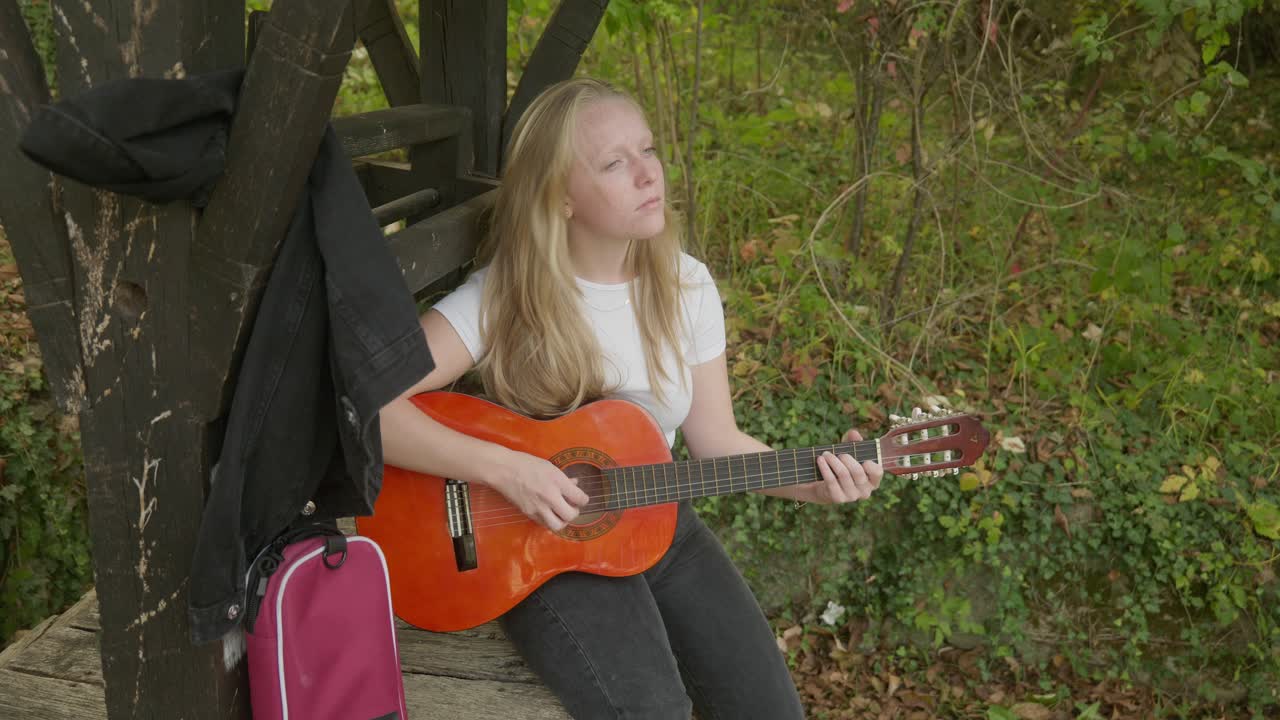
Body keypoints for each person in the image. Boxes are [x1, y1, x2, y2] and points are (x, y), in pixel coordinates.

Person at [378, 77, 884, 719]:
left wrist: (812, 484)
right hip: (538, 543)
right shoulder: (506, 296)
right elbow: (369, 406)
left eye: (648, 151)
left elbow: (717, 440)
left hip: (658, 515)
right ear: (560, 196)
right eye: (616, 163)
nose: (649, 175)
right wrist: (507, 469)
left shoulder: (686, 286)